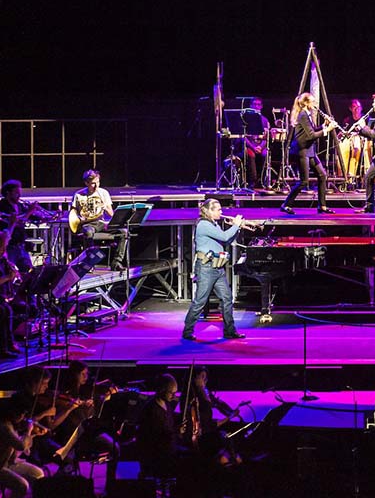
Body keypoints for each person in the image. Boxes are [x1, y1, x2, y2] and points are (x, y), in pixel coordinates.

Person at [183, 199, 245, 341]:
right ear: (209, 211)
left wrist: (237, 228)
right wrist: (235, 225)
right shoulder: (204, 225)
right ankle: (187, 331)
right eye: (218, 209)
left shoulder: (214, 224)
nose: (221, 212)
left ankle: (229, 331)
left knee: (227, 298)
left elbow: (226, 241)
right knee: (200, 301)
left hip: (217, 267)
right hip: (206, 267)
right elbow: (224, 236)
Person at [0, 400, 46, 498]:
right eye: (22, 414)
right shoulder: (1, 425)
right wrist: (28, 431)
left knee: (38, 473)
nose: (23, 417)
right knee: (22, 486)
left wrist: (33, 434)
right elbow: (21, 446)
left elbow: (15, 453)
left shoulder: (11, 424)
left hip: (6, 463)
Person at [280, 92, 337, 215]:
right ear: (306, 103)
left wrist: (324, 125)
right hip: (302, 151)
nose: (315, 104)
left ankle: (322, 206)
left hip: (310, 151)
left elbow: (312, 130)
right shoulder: (303, 115)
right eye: (313, 101)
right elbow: (311, 136)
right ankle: (286, 204)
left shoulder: (307, 114)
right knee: (303, 182)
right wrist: (327, 130)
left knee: (322, 175)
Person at [70, 169, 127, 270]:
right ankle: (89, 262)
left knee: (123, 232)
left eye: (98, 182)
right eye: (93, 183)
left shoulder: (104, 193)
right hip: (88, 224)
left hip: (102, 222)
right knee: (88, 233)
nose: (96, 186)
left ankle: (116, 262)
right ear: (86, 183)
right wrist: (80, 219)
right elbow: (73, 214)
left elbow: (112, 214)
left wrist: (105, 207)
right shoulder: (78, 195)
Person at [137, 373, 183, 478]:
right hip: (158, 456)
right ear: (162, 390)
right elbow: (158, 437)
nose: (174, 396)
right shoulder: (152, 410)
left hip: (167, 451)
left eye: (175, 393)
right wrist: (177, 432)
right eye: (171, 393)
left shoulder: (165, 404)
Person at [0, 179, 39, 272]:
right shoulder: (2, 206)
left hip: (21, 246)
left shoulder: (19, 206)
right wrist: (29, 211)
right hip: (9, 247)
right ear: (8, 193)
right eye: (16, 193)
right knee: (7, 272)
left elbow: (31, 217)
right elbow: (17, 221)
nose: (19, 196)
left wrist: (50, 217)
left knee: (29, 272)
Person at [242, 98, 271, 188]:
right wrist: (253, 147)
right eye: (254, 104)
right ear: (251, 106)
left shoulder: (265, 120)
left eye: (258, 105)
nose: (256, 106)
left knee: (265, 154)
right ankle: (253, 181)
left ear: (261, 106)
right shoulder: (245, 119)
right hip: (250, 145)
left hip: (260, 146)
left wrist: (261, 147)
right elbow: (243, 137)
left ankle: (263, 180)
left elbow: (267, 137)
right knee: (251, 155)